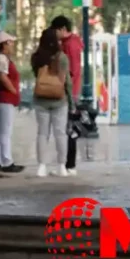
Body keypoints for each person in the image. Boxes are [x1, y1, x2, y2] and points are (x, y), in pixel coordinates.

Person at [31, 28, 73, 177]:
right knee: (60, 133)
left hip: (41, 98)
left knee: (42, 133)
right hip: (59, 99)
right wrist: (72, 103)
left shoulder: (36, 57)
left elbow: (38, 75)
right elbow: (67, 81)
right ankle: (61, 166)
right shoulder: (62, 57)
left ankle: (41, 166)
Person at [50, 15, 82, 176]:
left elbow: (73, 71)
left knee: (68, 129)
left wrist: (69, 93)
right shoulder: (70, 43)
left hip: (70, 91)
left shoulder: (71, 45)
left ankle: (69, 165)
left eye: (56, 30)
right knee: (67, 128)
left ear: (63, 29)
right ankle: (68, 164)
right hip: (70, 90)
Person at [0, 31, 23, 173]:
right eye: (11, 42)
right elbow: (2, 76)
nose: (12, 45)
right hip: (4, 98)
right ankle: (7, 162)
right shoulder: (1, 58)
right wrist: (13, 90)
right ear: (4, 44)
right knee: (5, 131)